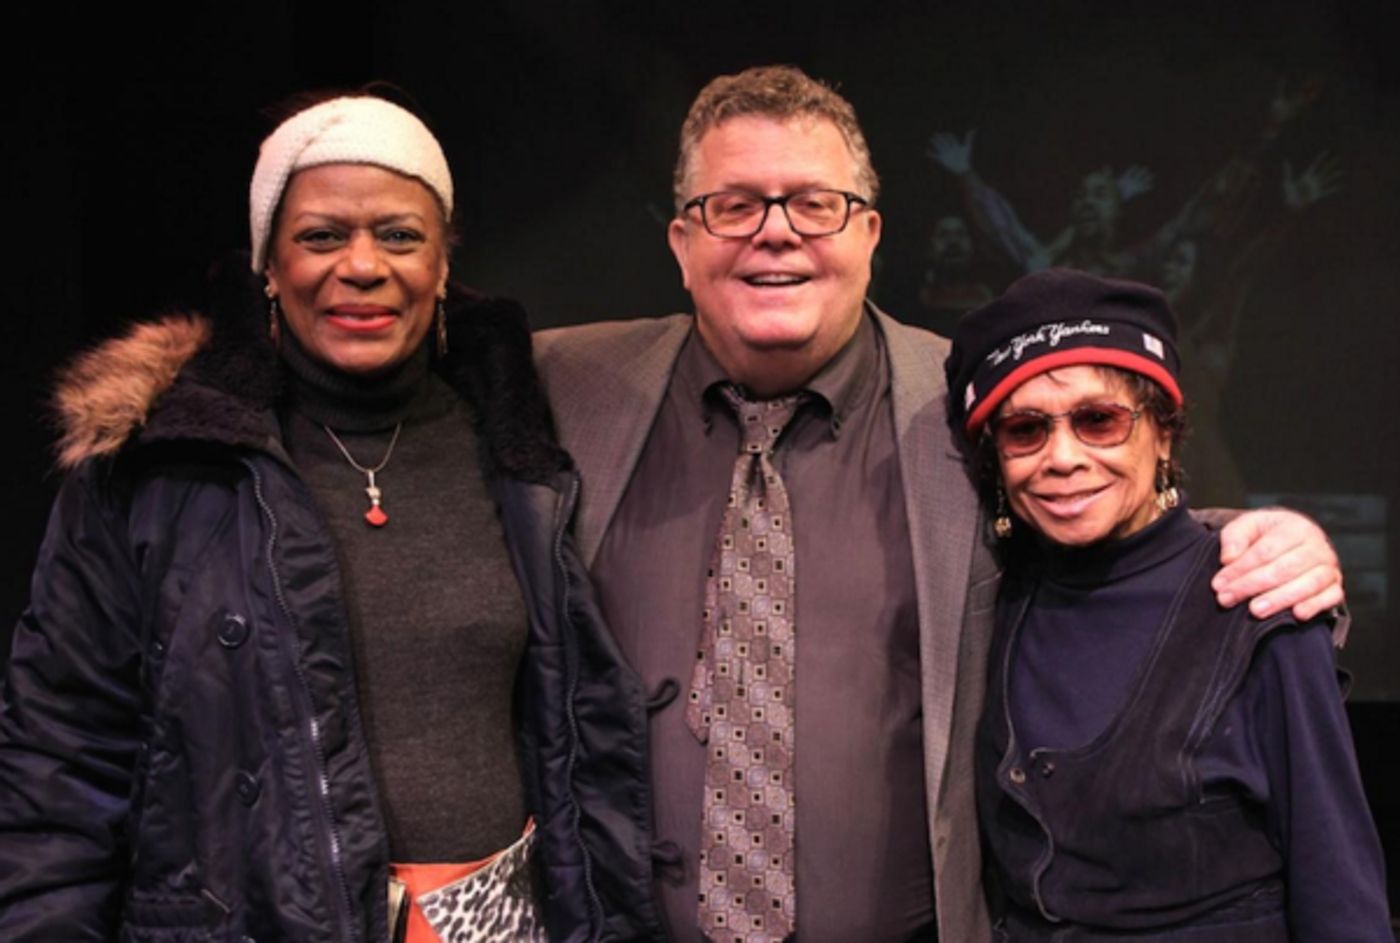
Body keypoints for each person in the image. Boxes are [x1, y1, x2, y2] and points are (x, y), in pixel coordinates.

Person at [534, 65, 1347, 943]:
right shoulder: (567, 386)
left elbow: (1103, 505)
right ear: (682, 240)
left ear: (869, 233)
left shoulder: (965, 405)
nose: (776, 232)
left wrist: (1258, 539)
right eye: (734, 206)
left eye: (814, 204)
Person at [0, 94, 654, 942]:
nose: (363, 265)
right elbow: (58, 762)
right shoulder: (165, 469)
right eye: (320, 236)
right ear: (268, 266)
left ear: (442, 264)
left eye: (400, 235)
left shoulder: (521, 447)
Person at [944, 268, 1389, 941]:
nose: (1061, 457)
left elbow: (1339, 888)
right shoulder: (993, 598)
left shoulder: (1260, 603)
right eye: (1025, 430)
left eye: (1099, 420)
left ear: (1163, 434)